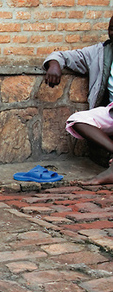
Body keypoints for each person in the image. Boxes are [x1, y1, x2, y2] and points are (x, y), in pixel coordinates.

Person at [43, 14, 113, 184]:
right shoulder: (100, 52)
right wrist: (53, 64)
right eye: (111, 29)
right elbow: (63, 56)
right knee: (77, 120)